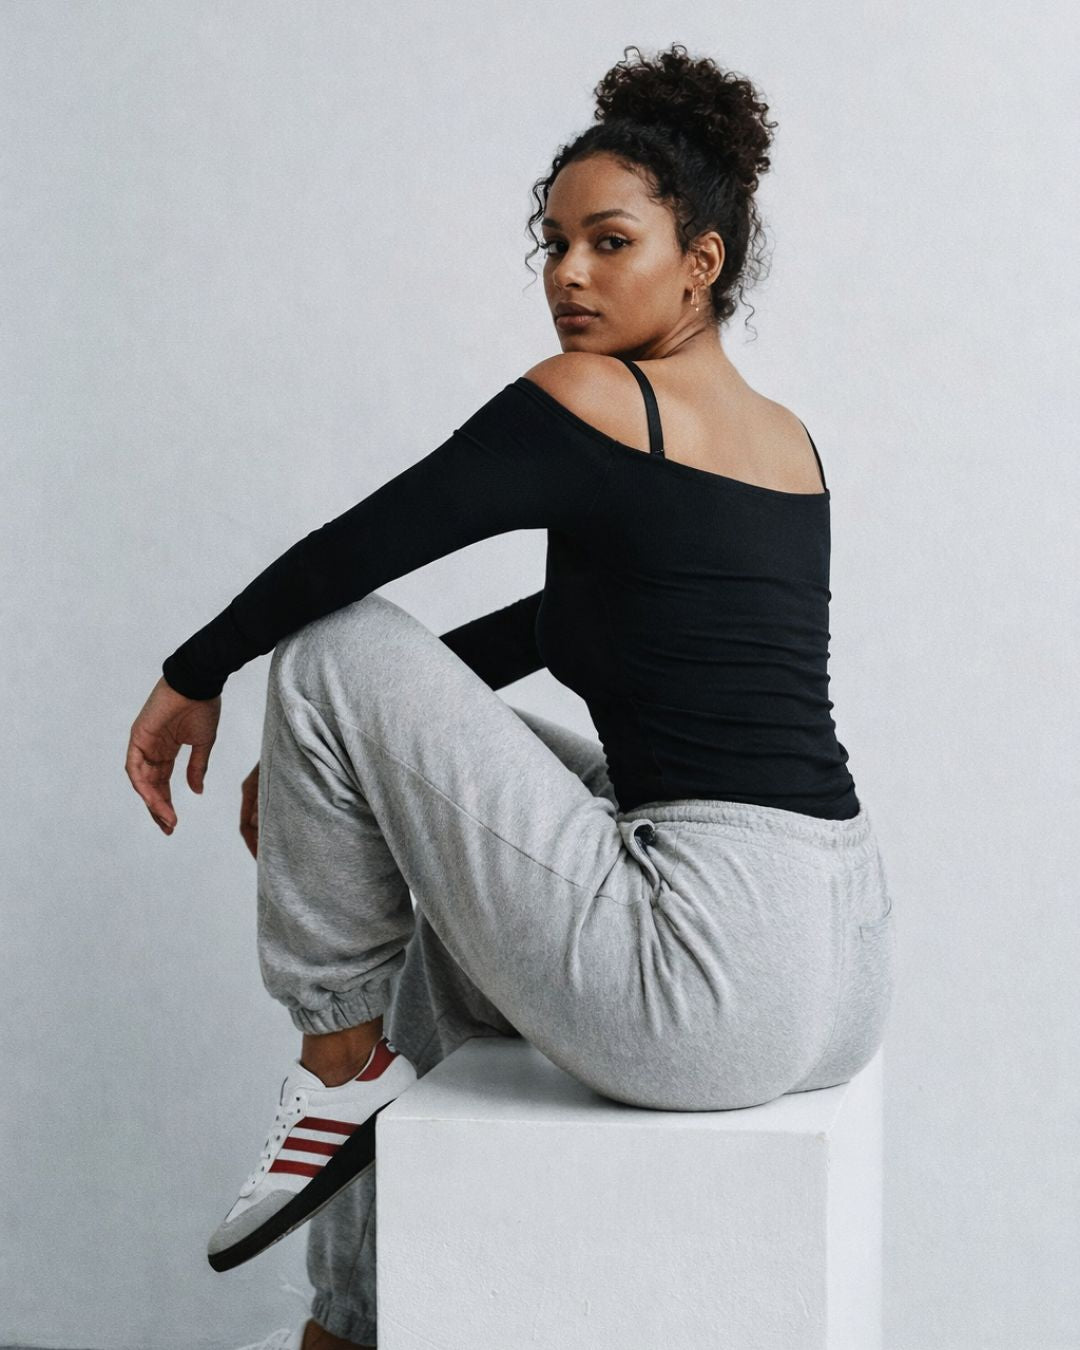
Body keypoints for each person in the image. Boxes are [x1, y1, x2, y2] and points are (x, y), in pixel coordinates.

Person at [125, 42, 897, 1350]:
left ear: (700, 260)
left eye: (610, 242)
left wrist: (195, 675)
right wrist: (341, 767)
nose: (569, 277)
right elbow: (563, 626)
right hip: (842, 954)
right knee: (422, 881)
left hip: (702, 966)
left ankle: (333, 1075)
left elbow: (355, 558)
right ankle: (352, 1319)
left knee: (323, 653)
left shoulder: (595, 400)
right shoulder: (789, 441)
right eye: (552, 245)